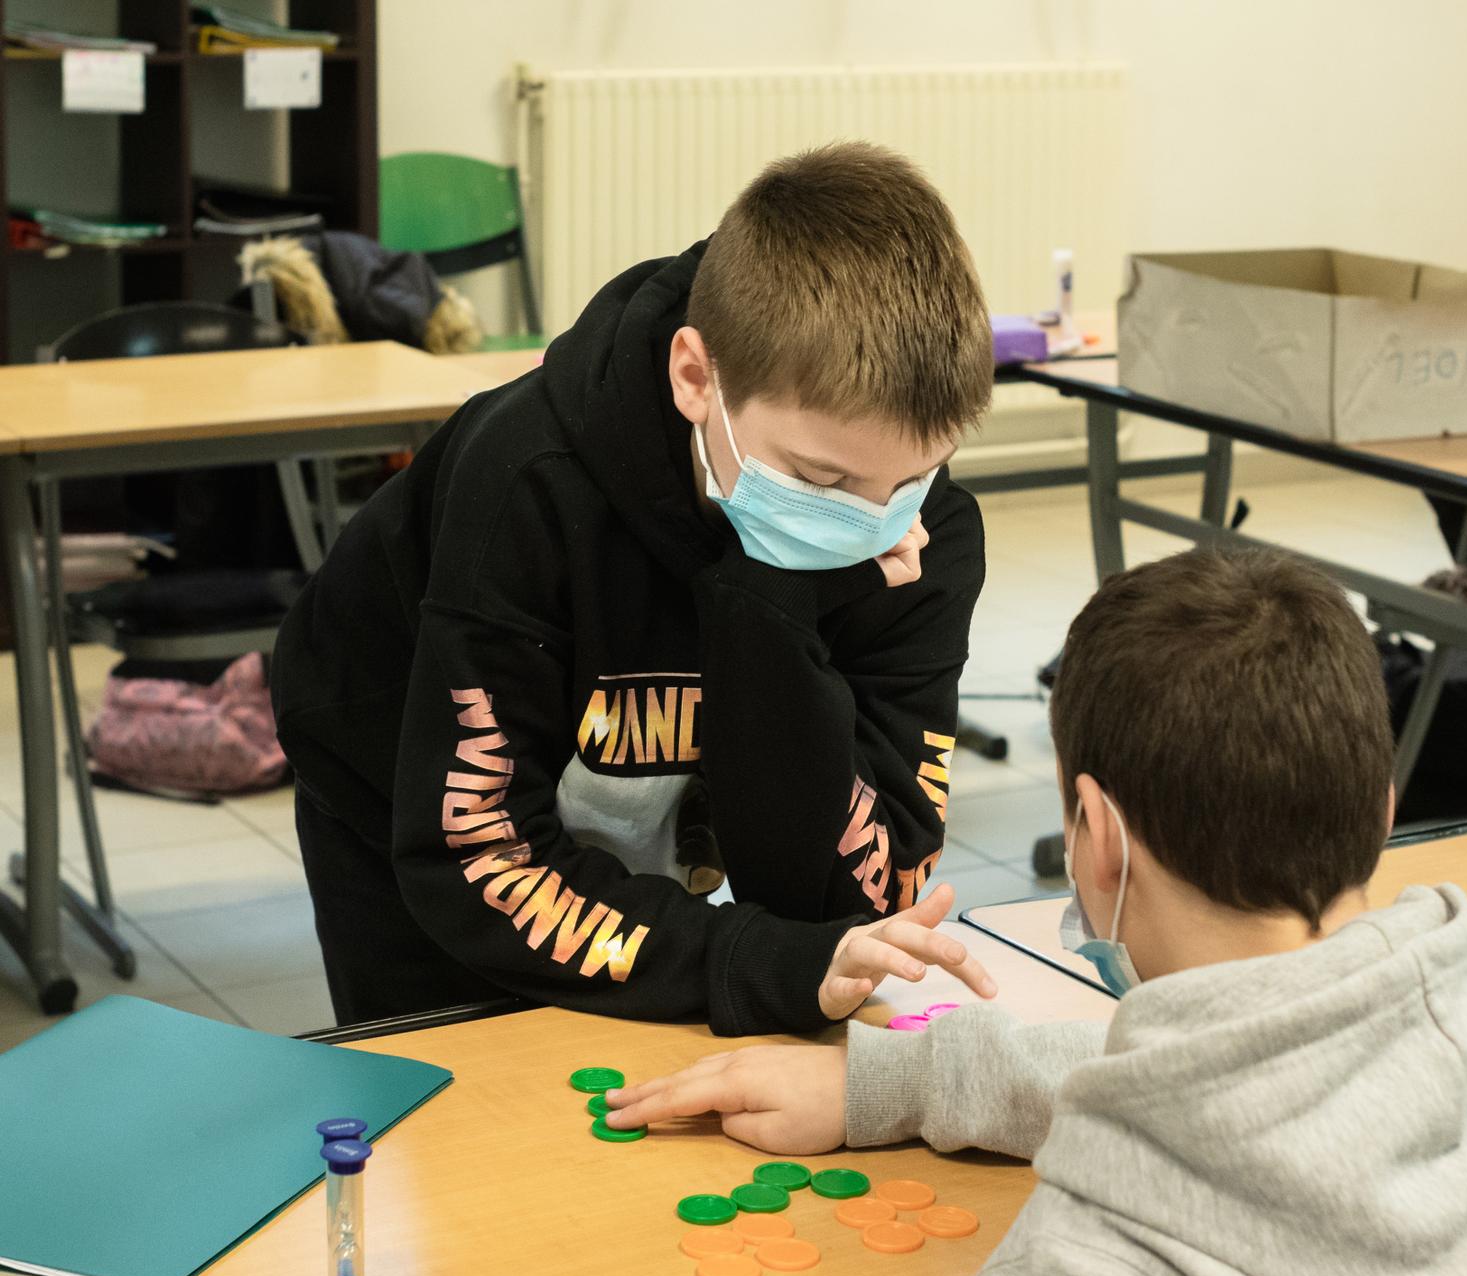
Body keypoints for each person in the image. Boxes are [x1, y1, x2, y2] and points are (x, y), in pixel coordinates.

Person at [605, 546, 1467, 1276]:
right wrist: (889, 1081)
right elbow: (1265, 1079)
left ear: (1096, 840)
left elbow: (1214, 1110)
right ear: (1381, 805)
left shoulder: (1101, 1258)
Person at [272, 142, 997, 1032]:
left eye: (913, 479)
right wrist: (738, 959)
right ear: (697, 378)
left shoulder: (925, 527)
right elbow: (475, 860)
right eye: (823, 483)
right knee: (464, 1106)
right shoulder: (527, 482)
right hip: (401, 786)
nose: (873, 525)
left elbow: (865, 886)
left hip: (627, 800)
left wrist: (772, 614)